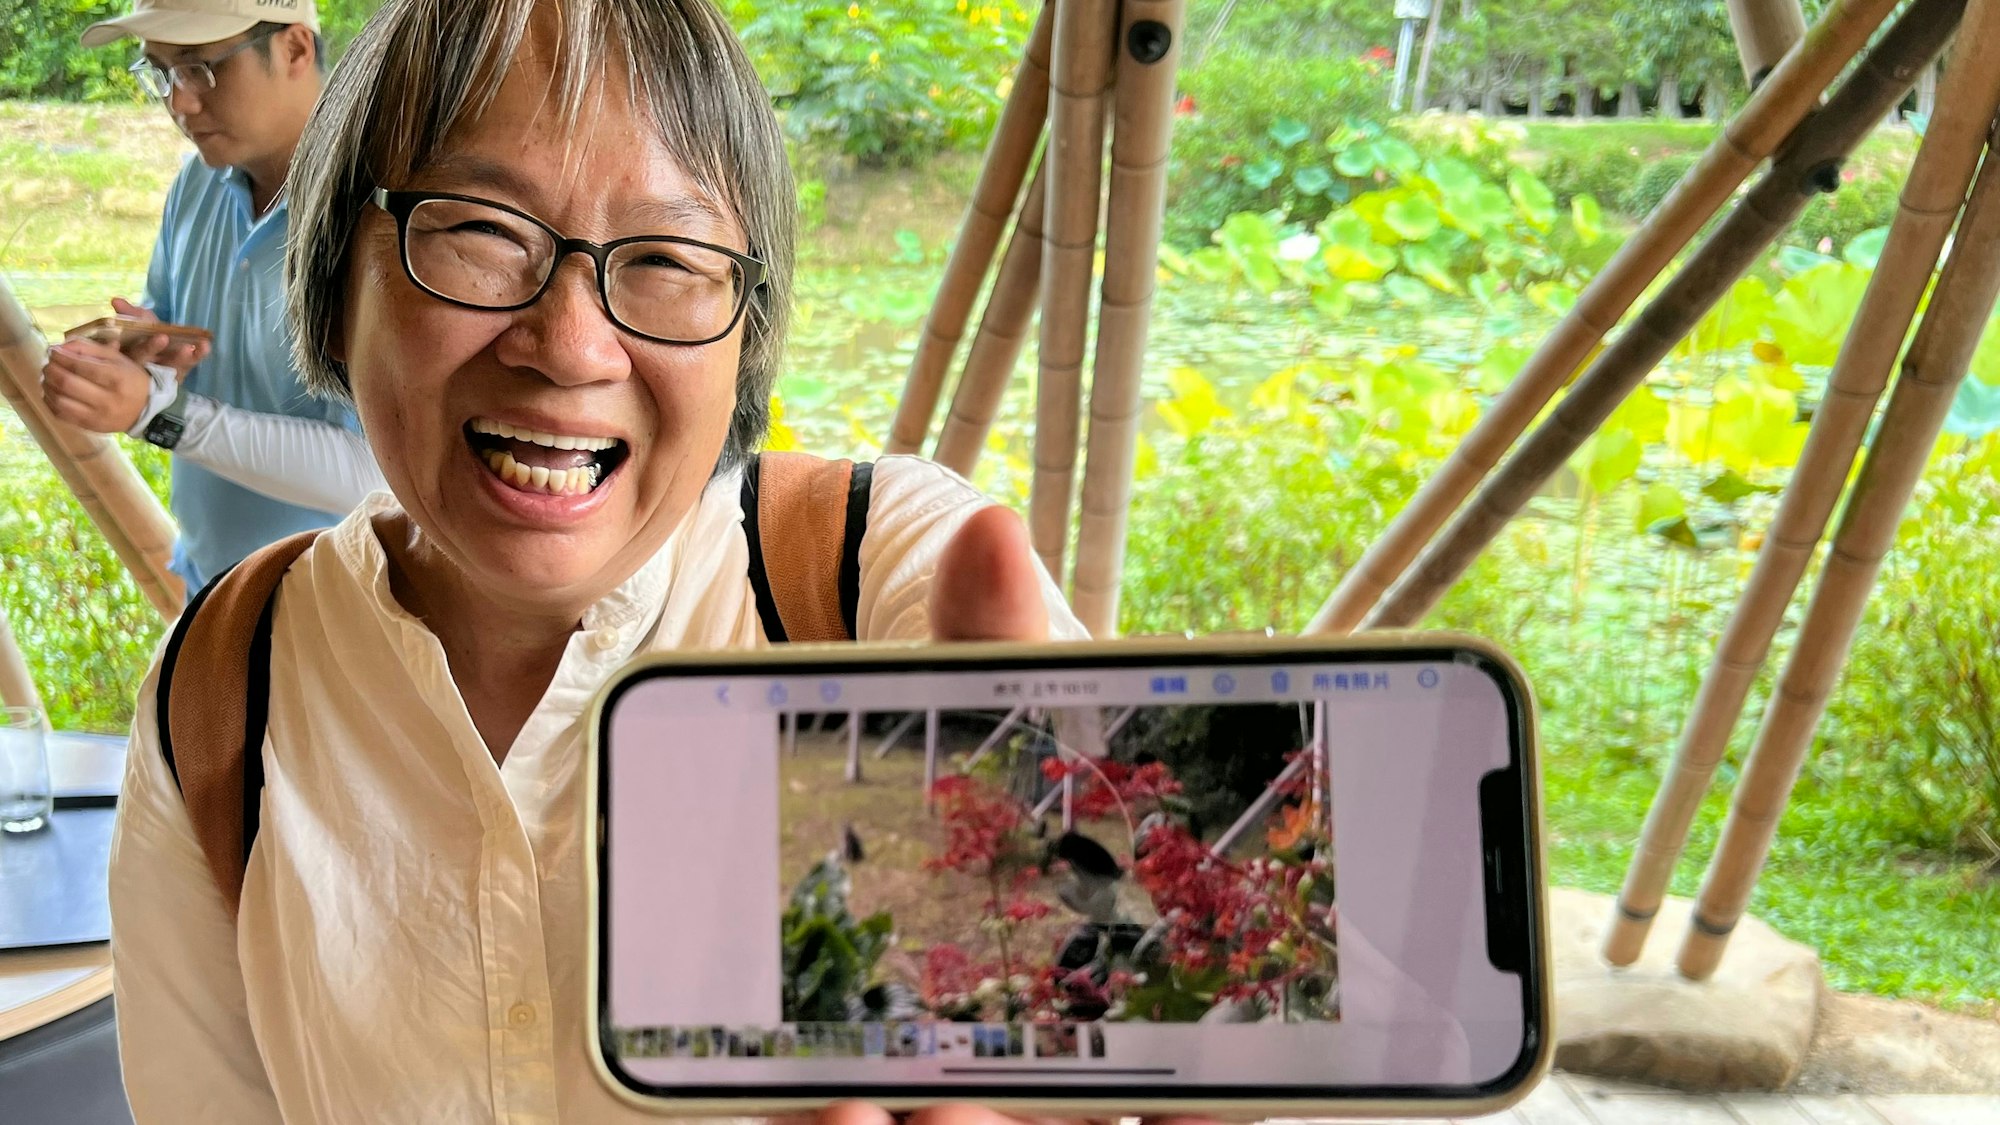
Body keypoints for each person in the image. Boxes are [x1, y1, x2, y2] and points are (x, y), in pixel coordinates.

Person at [103, 3, 1213, 1124]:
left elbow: (1189, 978)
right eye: (481, 232)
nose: (572, 347)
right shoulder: (222, 693)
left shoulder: (884, 583)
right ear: (337, 279)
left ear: (744, 334)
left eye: (669, 258)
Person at [38, 0, 384, 596]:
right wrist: (143, 352)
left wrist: (160, 415)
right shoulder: (197, 181)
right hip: (209, 589)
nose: (180, 102)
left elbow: (375, 476)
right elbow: (171, 342)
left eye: (200, 67)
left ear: (295, 48)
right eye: (163, 72)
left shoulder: (372, 216)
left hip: (344, 612)